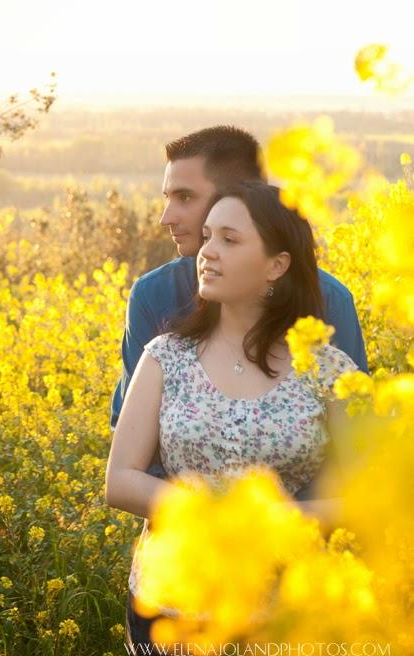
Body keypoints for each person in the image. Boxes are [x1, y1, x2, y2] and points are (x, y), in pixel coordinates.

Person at [105, 181, 361, 656]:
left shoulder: (330, 371)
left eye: (229, 239)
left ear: (276, 265)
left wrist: (269, 521)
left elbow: (360, 498)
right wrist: (214, 514)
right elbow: (120, 480)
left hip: (286, 617)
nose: (207, 252)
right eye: (206, 237)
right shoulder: (165, 357)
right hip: (172, 610)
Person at [110, 126, 367, 436]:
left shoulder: (329, 299)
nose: (166, 217)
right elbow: (131, 436)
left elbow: (355, 440)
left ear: (241, 196)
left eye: (185, 198)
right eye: (168, 197)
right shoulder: (153, 295)